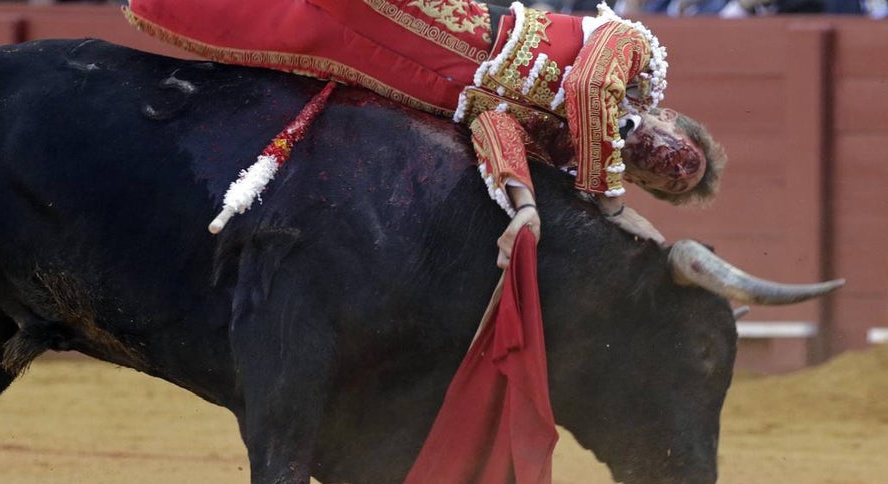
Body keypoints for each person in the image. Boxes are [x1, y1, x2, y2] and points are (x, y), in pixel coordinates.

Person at [122, 1, 725, 266]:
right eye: (683, 157)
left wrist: (525, 206)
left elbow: (493, 124)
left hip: (421, 87)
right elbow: (592, 87)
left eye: (665, 179)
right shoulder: (634, 51)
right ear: (672, 119)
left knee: (292, 36)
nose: (667, 164)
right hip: (443, 24)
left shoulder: (570, 150)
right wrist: (610, 200)